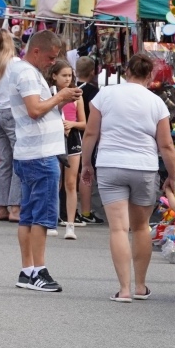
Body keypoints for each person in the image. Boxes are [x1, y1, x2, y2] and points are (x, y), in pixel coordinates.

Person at [83, 54, 175, 302]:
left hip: (110, 164)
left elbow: (91, 133)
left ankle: (123, 289)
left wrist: (86, 164)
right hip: (144, 167)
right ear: (150, 76)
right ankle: (140, 286)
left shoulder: (104, 95)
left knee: (118, 228)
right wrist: (172, 175)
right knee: (140, 227)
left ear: (126, 72)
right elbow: (166, 145)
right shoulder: (156, 102)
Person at [3, 30, 79, 292]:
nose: (52, 62)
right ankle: (39, 271)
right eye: (50, 57)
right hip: (40, 154)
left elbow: (35, 109)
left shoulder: (26, 72)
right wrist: (61, 96)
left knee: (29, 216)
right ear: (36, 51)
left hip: (31, 152)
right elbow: (35, 110)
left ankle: (27, 271)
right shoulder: (26, 73)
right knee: (42, 218)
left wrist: (58, 101)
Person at [0, 24, 22, 223]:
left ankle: (1, 207)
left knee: (5, 162)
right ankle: (15, 207)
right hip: (13, 112)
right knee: (18, 161)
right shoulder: (15, 63)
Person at [48, 59, 85, 240]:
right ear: (54, 76)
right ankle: (51, 221)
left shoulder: (78, 94)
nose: (67, 79)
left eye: (70, 75)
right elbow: (47, 113)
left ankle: (70, 224)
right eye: (64, 75)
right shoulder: (50, 93)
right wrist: (61, 100)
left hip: (72, 138)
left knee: (71, 183)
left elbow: (84, 123)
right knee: (55, 181)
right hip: (54, 137)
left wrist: (72, 123)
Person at [75, 56, 103, 224]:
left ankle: (70, 210)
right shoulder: (93, 92)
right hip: (86, 134)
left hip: (72, 134)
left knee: (73, 175)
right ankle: (85, 211)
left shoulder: (71, 88)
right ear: (93, 72)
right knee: (85, 173)